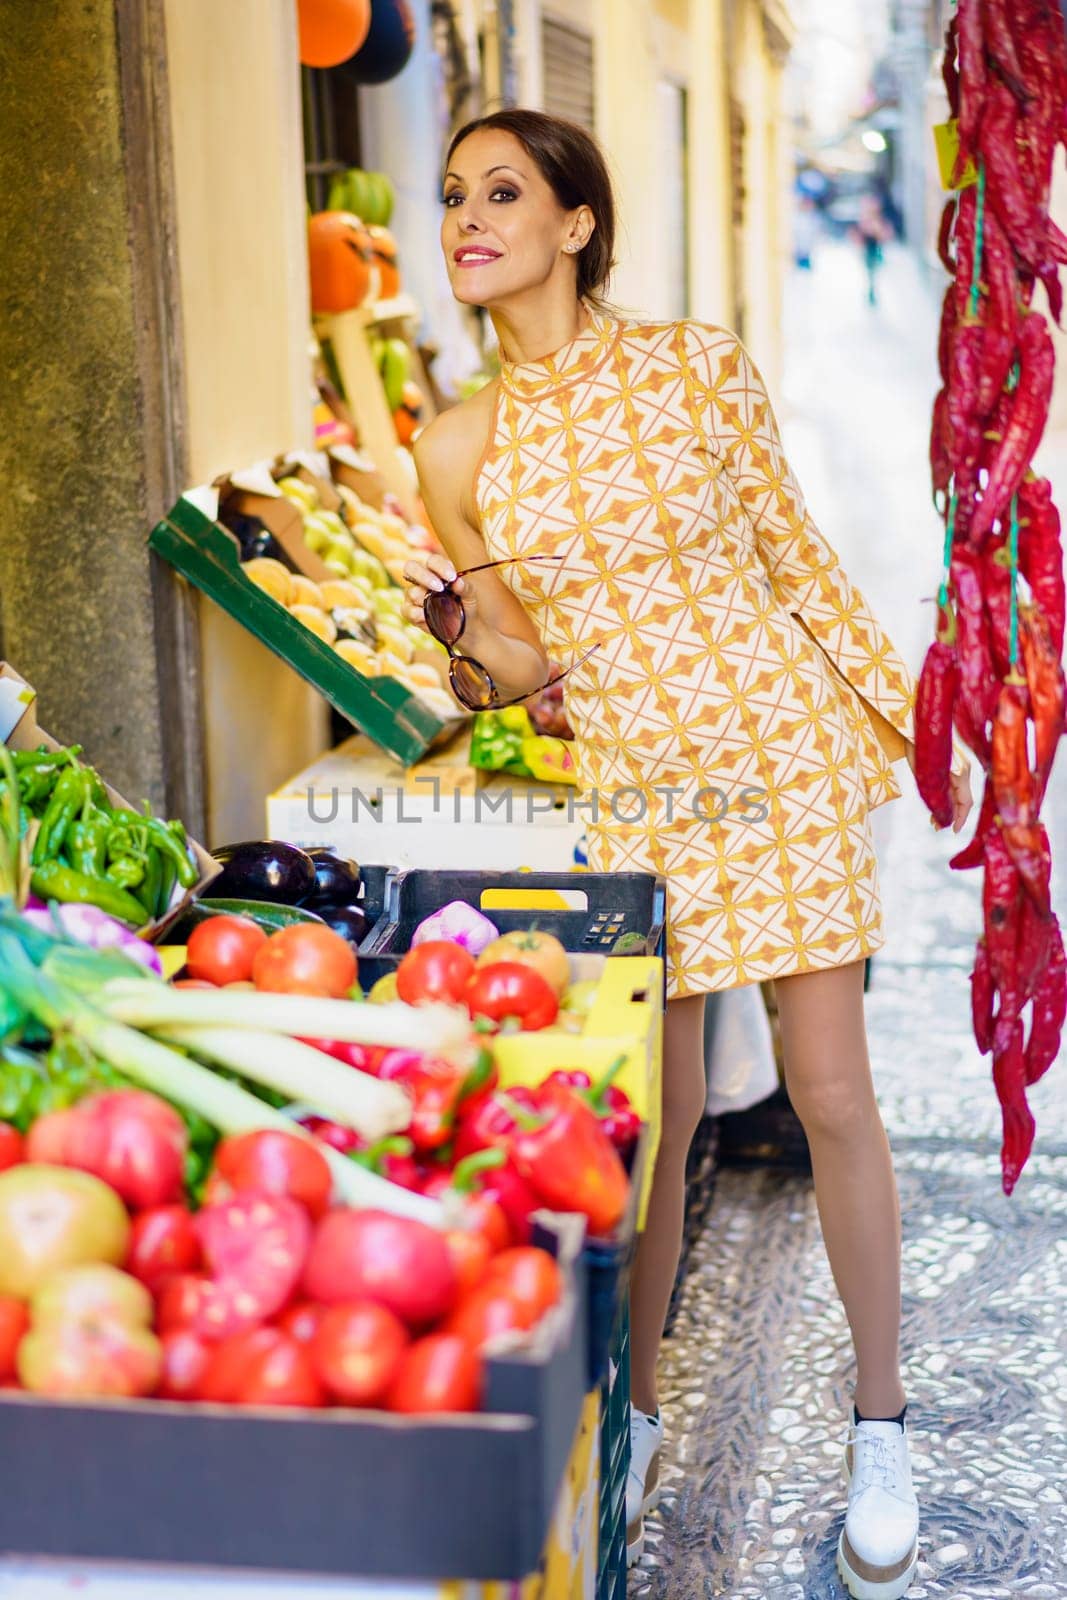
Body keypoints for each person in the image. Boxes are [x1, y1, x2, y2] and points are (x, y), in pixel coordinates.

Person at [401, 108, 973, 1599]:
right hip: (641, 792)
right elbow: (522, 667)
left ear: (576, 224)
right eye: (452, 194)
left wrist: (903, 723)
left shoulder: (692, 364)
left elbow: (792, 551)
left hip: (773, 760)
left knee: (833, 1096)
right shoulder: (451, 441)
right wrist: (464, 653)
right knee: (651, 1132)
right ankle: (636, 1418)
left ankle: (879, 1425)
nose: (466, 215)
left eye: (500, 192)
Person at [856, 190, 893, 307]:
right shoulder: (866, 220)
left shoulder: (879, 220)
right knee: (870, 272)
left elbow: (885, 235)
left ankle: (872, 291)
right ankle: (871, 291)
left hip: (876, 251)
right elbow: (860, 235)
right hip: (868, 251)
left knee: (873, 272)